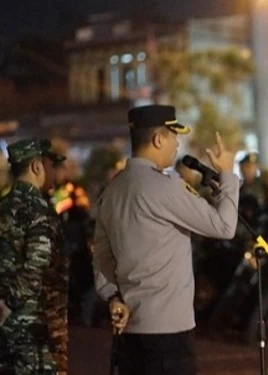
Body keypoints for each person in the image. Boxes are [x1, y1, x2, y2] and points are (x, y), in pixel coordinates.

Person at [93, 104, 239, 375]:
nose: (177, 143)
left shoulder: (112, 190)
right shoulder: (165, 187)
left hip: (129, 330)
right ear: (159, 139)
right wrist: (229, 175)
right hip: (168, 332)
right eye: (174, 135)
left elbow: (101, 255)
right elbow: (224, 227)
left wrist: (112, 296)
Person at [0, 138, 68, 374]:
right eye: (51, 165)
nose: (54, 172)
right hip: (34, 329)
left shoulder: (3, 206)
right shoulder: (38, 209)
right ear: (37, 167)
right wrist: (9, 305)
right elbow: (36, 266)